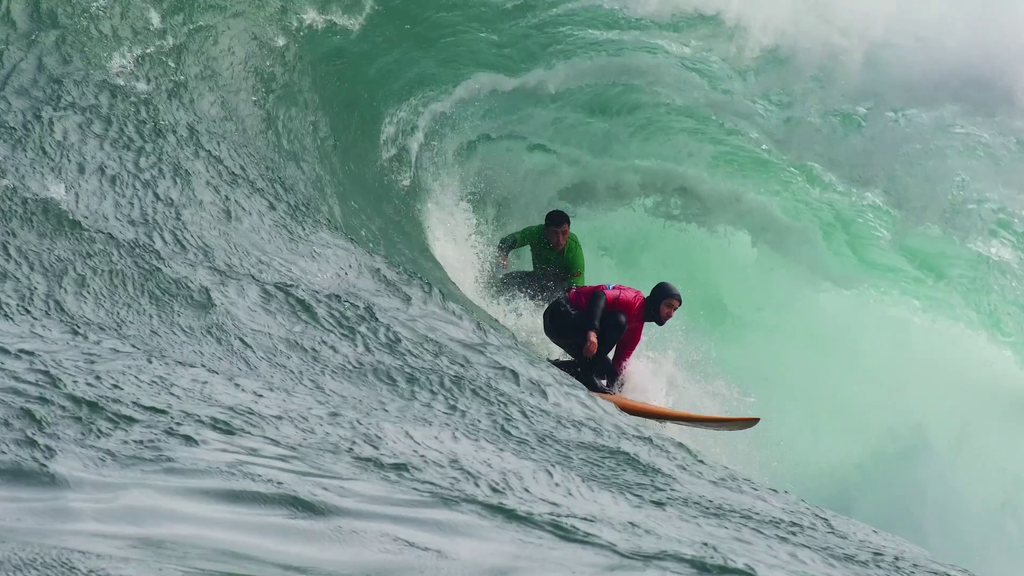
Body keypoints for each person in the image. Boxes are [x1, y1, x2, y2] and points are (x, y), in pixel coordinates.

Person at [543, 282, 682, 394]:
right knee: (619, 320)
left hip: (568, 333)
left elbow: (617, 366)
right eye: (668, 306)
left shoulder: (636, 330)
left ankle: (556, 366)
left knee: (607, 372)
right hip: (559, 315)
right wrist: (592, 332)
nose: (671, 314)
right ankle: (586, 373)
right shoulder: (633, 300)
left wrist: (617, 391)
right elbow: (599, 296)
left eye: (674, 310)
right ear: (657, 302)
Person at [493, 209, 585, 303]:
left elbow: (577, 290)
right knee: (505, 281)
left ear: (569, 230)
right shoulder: (536, 233)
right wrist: (503, 254)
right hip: (538, 281)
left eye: (564, 233)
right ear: (546, 231)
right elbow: (509, 240)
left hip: (560, 291)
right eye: (554, 233)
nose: (560, 240)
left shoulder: (574, 250)